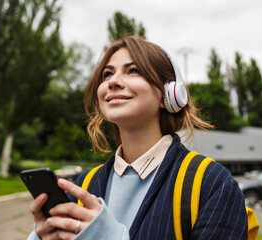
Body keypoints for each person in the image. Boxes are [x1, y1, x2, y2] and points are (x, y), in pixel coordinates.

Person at [27, 36, 248, 240]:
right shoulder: (81, 187)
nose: (113, 81)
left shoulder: (213, 184)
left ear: (170, 95)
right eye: (107, 74)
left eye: (133, 71)